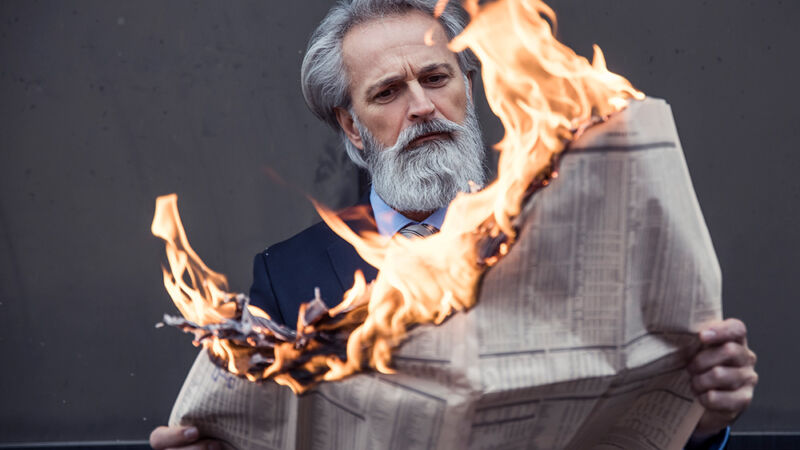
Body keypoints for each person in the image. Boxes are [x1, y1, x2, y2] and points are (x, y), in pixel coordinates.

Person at [150, 1, 757, 449]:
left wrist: (703, 422)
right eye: (388, 92)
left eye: (436, 78)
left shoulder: (564, 241)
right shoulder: (286, 277)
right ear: (353, 126)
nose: (421, 107)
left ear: (467, 87)